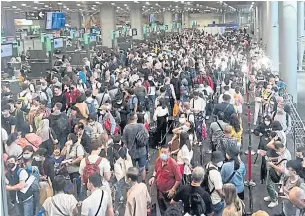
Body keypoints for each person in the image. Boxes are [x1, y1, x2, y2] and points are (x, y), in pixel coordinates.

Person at [149, 144, 182, 215]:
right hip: (159, 191)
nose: (163, 154)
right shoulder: (158, 160)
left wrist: (173, 189)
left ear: (169, 153)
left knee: (170, 209)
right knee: (161, 208)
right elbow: (155, 170)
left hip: (168, 193)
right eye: (162, 152)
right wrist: (153, 177)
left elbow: (178, 179)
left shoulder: (173, 165)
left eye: (165, 152)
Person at [265, 140, 292, 208]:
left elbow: (282, 170)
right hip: (276, 169)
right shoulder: (284, 151)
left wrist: (272, 165)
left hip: (278, 173)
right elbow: (280, 158)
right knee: (270, 185)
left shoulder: (285, 155)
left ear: (279, 149)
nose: (276, 151)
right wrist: (274, 159)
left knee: (269, 185)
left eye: (276, 150)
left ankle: (274, 200)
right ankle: (272, 195)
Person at [122, 113, 148, 182]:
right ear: (136, 118)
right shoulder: (141, 126)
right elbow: (147, 136)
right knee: (142, 167)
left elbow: (124, 141)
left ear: (130, 119)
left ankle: (134, 181)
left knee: (132, 168)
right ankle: (143, 181)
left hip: (131, 152)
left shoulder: (126, 128)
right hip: (142, 150)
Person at [61, 133, 85, 200]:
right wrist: (65, 146)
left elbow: (80, 157)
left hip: (76, 169)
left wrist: (72, 162)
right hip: (69, 169)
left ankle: (79, 198)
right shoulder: (69, 146)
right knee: (71, 184)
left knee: (77, 184)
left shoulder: (78, 146)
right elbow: (62, 154)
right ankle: (73, 197)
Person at [204, 151, 225, 216]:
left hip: (210, 195)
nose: (221, 162)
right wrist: (223, 197)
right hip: (216, 200)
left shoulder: (209, 165)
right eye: (220, 161)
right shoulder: (216, 174)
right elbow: (218, 189)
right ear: (216, 161)